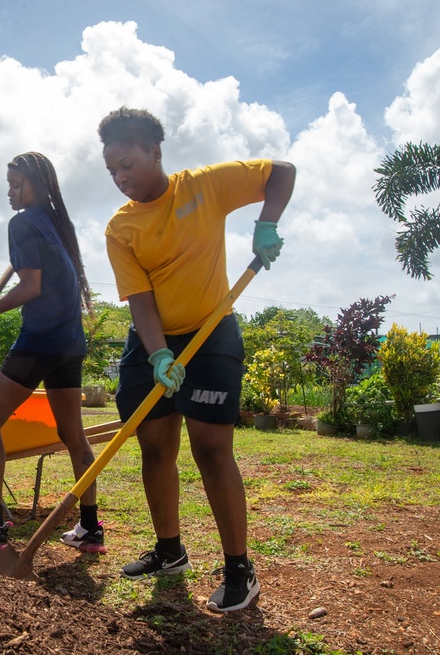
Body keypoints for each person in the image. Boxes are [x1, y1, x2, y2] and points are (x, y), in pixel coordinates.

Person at [98, 107, 295, 612]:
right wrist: (159, 351)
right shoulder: (120, 228)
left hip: (211, 335)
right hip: (152, 342)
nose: (120, 179)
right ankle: (169, 552)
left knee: (211, 450)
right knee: (155, 447)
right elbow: (140, 297)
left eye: (126, 165)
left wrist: (266, 224)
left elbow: (282, 172)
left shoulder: (204, 186)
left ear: (154, 151)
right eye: (111, 171)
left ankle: (239, 569)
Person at [0, 152, 104, 554]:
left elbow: (30, 287)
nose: (11, 193)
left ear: (39, 184)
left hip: (41, 340)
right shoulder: (56, 224)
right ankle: (89, 527)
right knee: (72, 434)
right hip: (70, 343)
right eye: (8, 185)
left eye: (18, 184)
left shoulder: (24, 222)